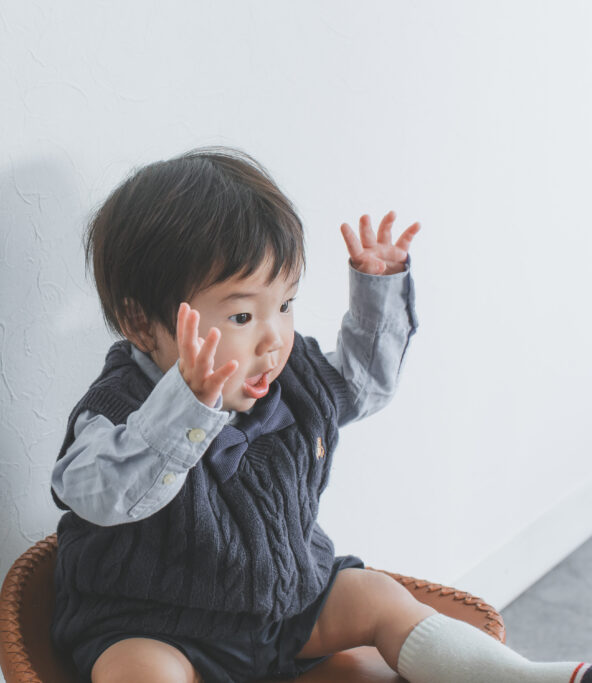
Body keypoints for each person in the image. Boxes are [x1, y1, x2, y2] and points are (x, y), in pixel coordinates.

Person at [49, 147, 590, 683]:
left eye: (284, 305)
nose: (273, 339)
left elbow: (362, 386)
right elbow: (100, 493)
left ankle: (522, 678)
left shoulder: (290, 375)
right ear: (142, 325)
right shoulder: (118, 406)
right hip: (156, 624)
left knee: (377, 596)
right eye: (242, 315)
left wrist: (378, 297)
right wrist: (185, 410)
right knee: (137, 672)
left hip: (285, 607)